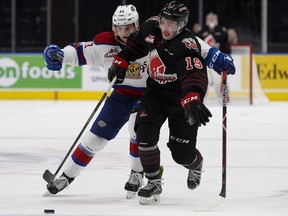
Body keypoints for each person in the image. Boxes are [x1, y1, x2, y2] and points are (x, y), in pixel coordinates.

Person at [108, 1, 235, 205]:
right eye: (163, 22)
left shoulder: (187, 44)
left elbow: (193, 74)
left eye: (171, 24)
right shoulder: (152, 27)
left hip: (181, 99)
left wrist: (192, 97)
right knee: (144, 134)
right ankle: (153, 181)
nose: (165, 28)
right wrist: (122, 60)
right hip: (155, 94)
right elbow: (137, 44)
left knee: (181, 155)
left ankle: (195, 163)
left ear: (182, 25)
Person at [43, 5, 148, 199]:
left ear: (137, 25)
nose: (124, 33)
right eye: (119, 27)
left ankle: (136, 173)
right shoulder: (103, 43)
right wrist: (60, 55)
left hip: (148, 96)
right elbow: (78, 52)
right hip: (120, 97)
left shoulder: (150, 41)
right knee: (94, 139)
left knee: (137, 129)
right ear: (113, 27)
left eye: (129, 27)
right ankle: (66, 176)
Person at [197, 12, 234, 102]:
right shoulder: (201, 32)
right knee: (205, 81)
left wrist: (226, 56)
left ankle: (224, 99)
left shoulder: (222, 32)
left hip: (217, 60)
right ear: (206, 21)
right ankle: (201, 100)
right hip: (204, 61)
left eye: (213, 19)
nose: (211, 21)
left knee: (219, 81)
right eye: (210, 19)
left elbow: (226, 46)